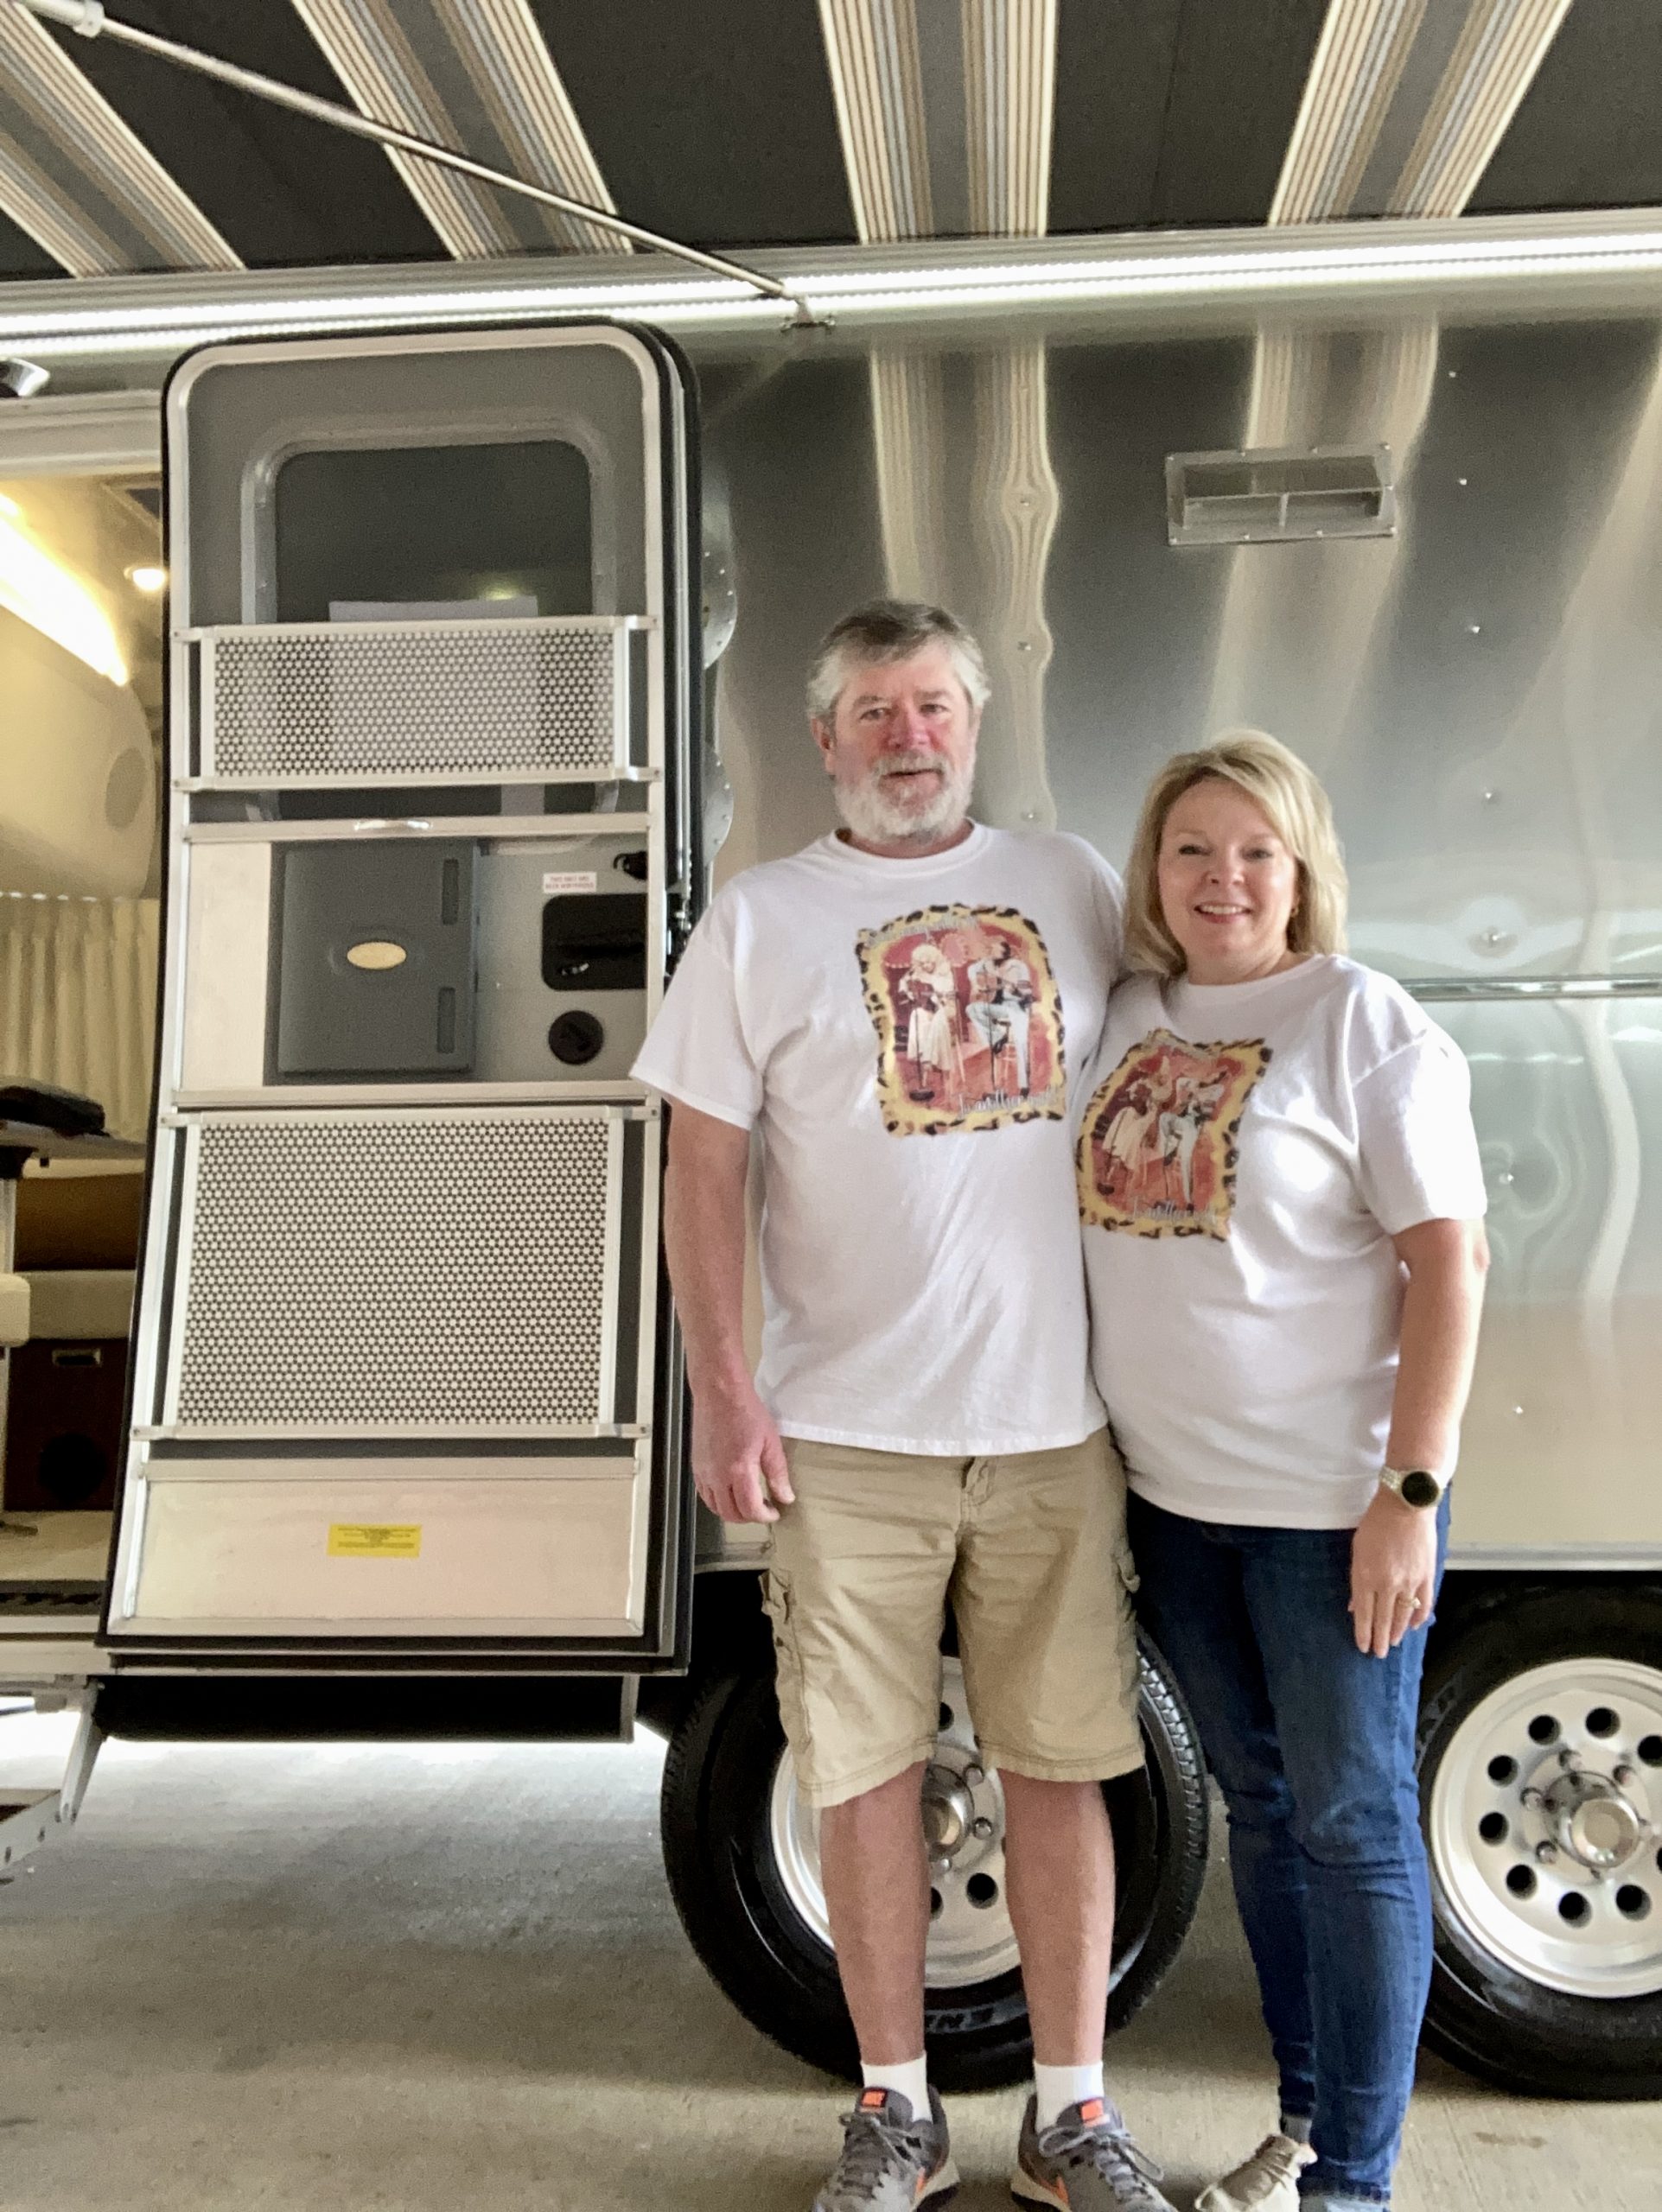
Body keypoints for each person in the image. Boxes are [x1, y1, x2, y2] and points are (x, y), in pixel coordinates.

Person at [633, 600, 1173, 2212]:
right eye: (873, 711)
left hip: (1051, 1424)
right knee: (860, 1772)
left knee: (1061, 1764)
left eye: (933, 706)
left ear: (975, 724)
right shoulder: (758, 919)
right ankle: (897, 2114)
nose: (907, 737)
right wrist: (723, 1389)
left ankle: (1072, 2121)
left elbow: (1200, 1030)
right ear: (824, 740)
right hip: (844, 1437)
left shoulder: (1072, 883)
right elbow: (702, 1172)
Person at [1075, 732, 1489, 2212]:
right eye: (1192, 848)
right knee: (1260, 1807)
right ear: (1153, 869)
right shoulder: (1128, 1014)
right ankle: (1308, 2125)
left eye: (1258, 851)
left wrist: (1410, 1493)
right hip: (1175, 1506)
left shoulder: (1360, 1020)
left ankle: (1353, 2187)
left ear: (1303, 870)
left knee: (1354, 1825)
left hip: (1331, 1513)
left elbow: (1452, 1261)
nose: (1224, 878)